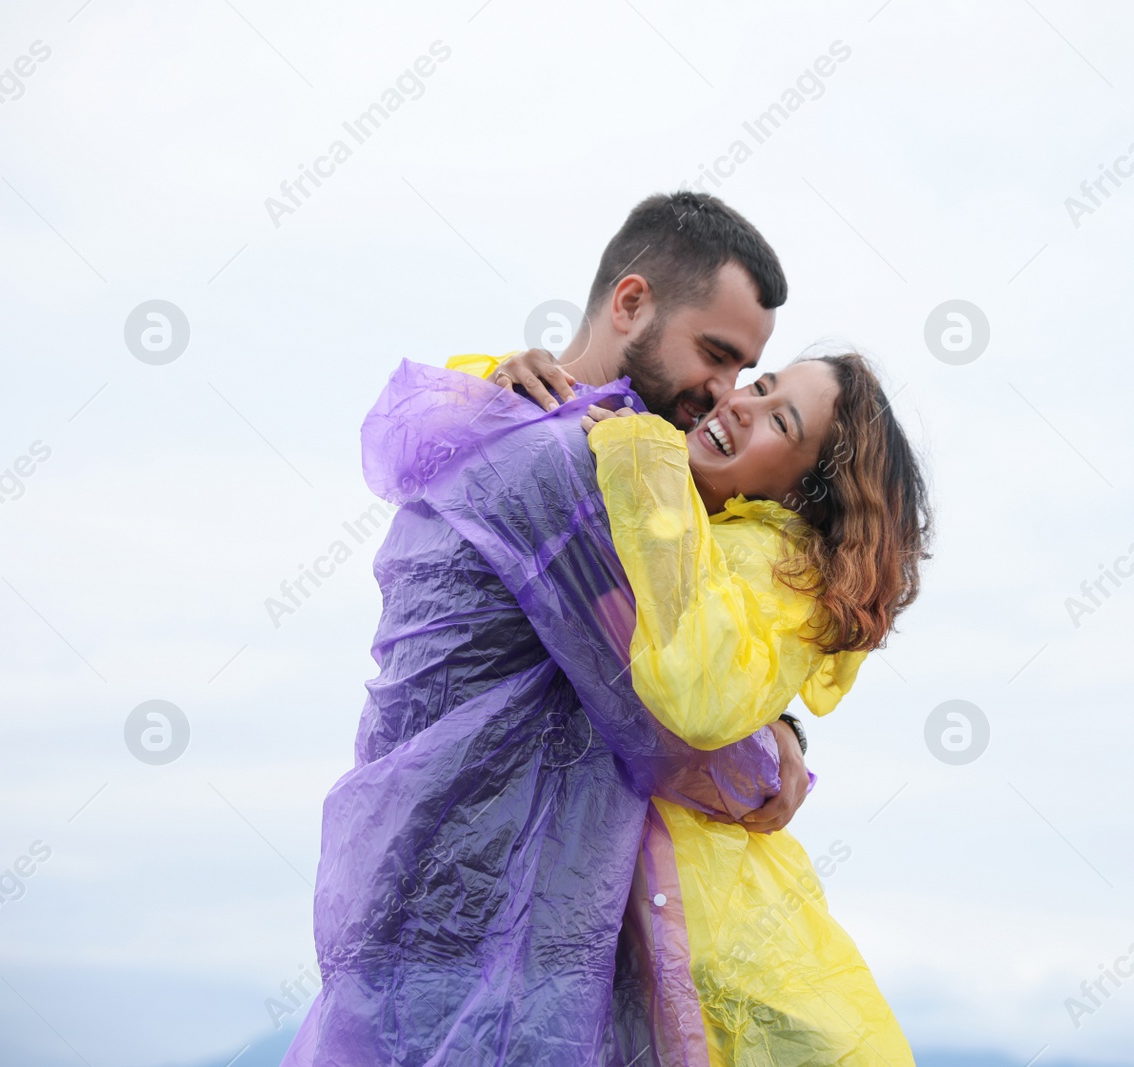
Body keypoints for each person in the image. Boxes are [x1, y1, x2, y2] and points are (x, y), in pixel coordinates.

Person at [285, 193, 811, 1066]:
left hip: (430, 946)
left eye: (746, 370)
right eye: (715, 356)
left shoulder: (500, 423)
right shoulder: (572, 470)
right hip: (483, 968)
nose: (720, 396)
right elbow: (675, 726)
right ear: (631, 303)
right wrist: (777, 763)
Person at [577, 349, 932, 1066]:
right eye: (761, 386)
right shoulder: (716, 527)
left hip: (726, 975)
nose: (740, 403)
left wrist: (642, 456)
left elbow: (698, 692)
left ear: (802, 495)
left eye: (781, 420)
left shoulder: (778, 559)